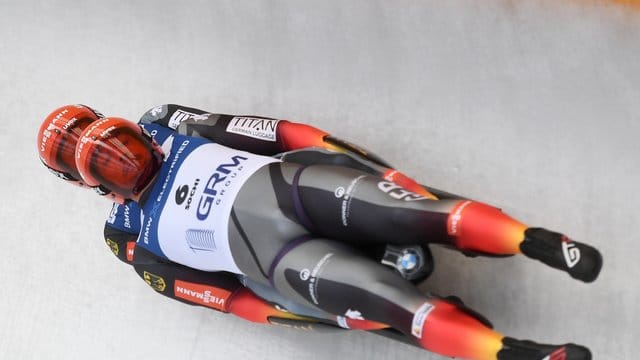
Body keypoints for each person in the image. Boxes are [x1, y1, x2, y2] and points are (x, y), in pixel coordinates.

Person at [38, 104, 602, 360]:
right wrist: (288, 315)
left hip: (296, 187)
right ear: (85, 183)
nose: (128, 162)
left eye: (124, 145)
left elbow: (277, 131)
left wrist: (373, 168)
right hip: (280, 260)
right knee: (391, 303)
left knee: (420, 212)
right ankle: (515, 354)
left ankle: (537, 240)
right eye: (109, 164)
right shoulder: (126, 237)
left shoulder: (171, 123)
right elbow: (219, 296)